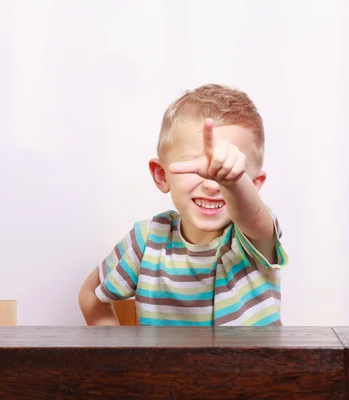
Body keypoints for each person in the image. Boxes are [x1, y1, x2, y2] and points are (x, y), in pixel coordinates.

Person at [78, 84, 289, 326]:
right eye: (196, 166)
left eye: (227, 172)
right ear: (161, 175)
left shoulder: (253, 237)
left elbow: (251, 215)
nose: (212, 184)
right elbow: (89, 296)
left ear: (254, 184)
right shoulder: (147, 241)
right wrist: (120, 362)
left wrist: (234, 183)